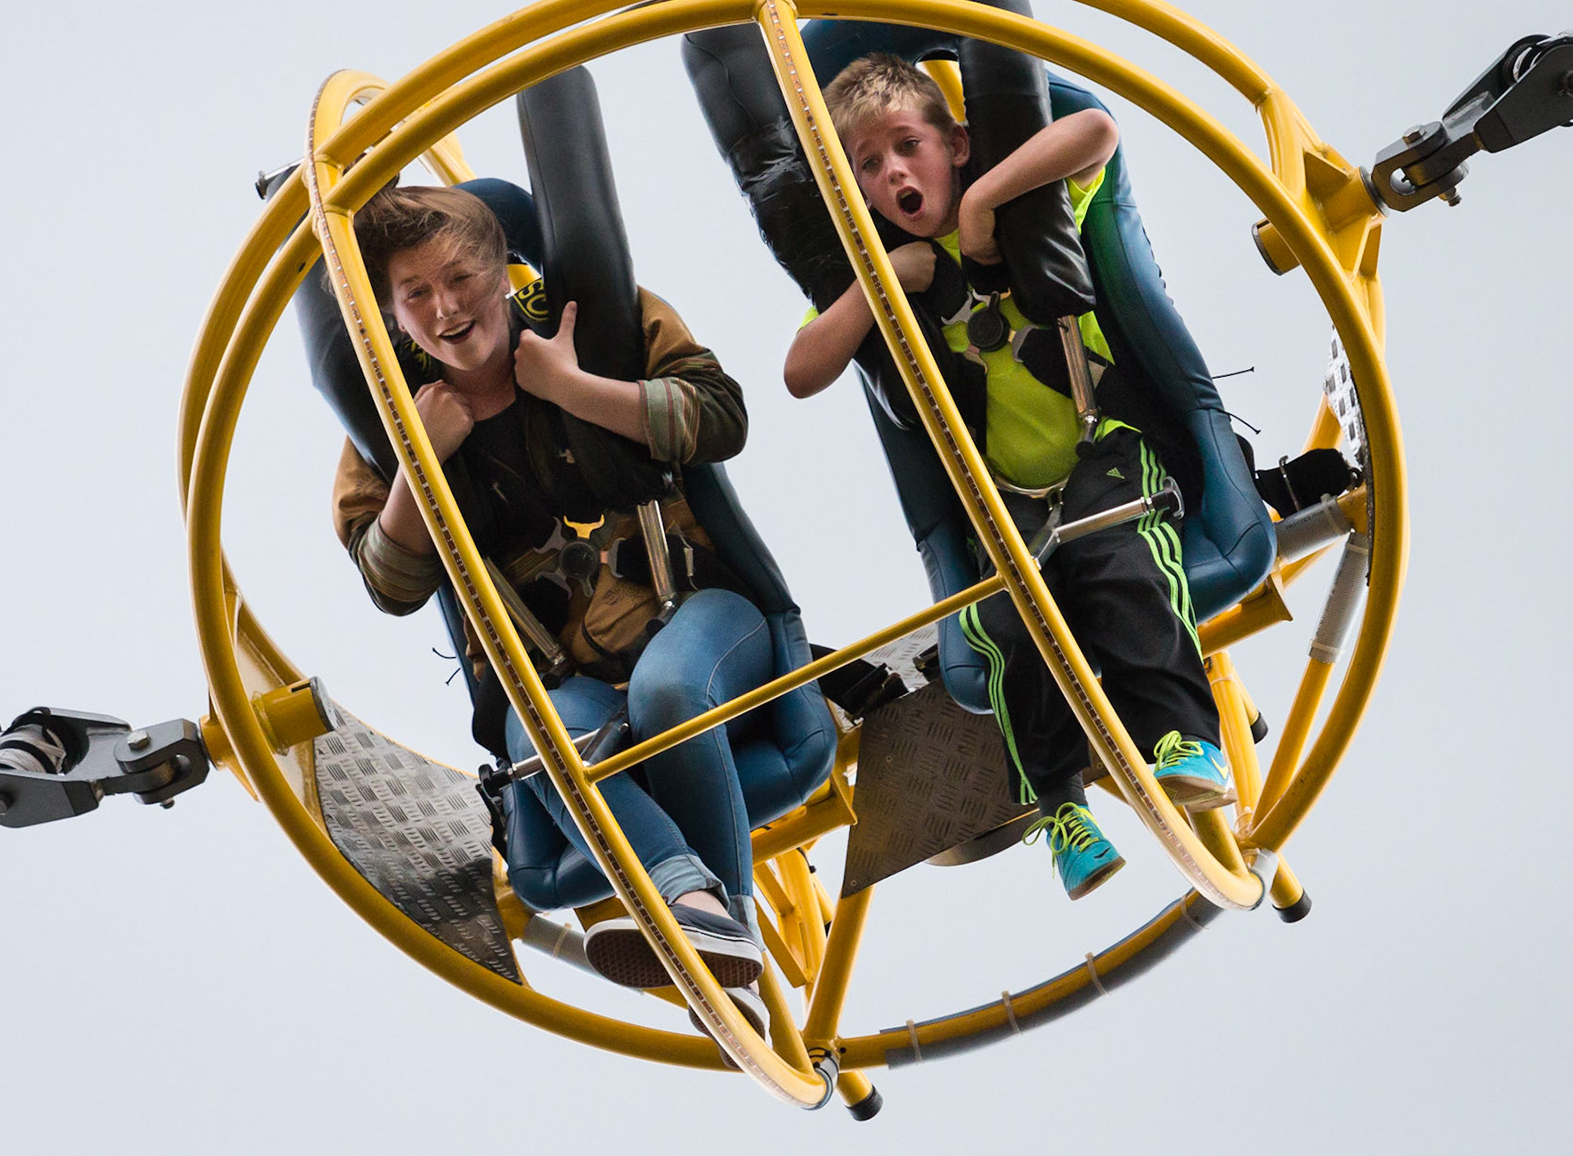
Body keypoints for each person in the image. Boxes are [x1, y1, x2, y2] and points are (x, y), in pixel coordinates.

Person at [784, 53, 1234, 900]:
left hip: (1106, 451)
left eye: (906, 146)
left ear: (957, 143)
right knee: (1008, 629)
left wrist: (987, 206)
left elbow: (1097, 129)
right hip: (1010, 500)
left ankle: (1181, 737)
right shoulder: (881, 270)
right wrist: (879, 284)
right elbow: (802, 370)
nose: (893, 174)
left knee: (1125, 564)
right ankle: (1060, 806)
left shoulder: (1030, 204)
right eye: (870, 167)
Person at [331, 183, 769, 1034]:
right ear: (392, 314)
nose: (446, 308)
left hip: (704, 619)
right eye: (415, 294)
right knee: (542, 737)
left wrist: (572, 389)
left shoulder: (599, 322)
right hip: (565, 675)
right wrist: (423, 460)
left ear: (501, 271)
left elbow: (722, 415)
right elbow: (389, 585)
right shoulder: (390, 423)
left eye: (459, 277)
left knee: (670, 694)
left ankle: (714, 916)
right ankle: (700, 911)